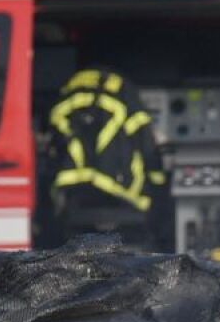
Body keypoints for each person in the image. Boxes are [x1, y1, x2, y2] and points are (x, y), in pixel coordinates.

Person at [40, 67, 173, 252]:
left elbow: (51, 147)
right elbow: (146, 142)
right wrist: (159, 186)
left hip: (74, 193)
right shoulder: (125, 93)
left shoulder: (67, 93)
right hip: (120, 191)